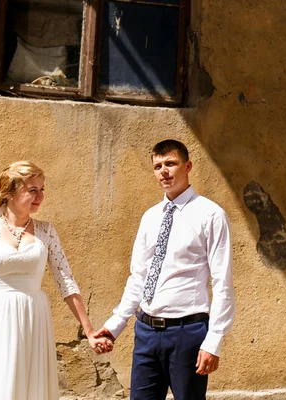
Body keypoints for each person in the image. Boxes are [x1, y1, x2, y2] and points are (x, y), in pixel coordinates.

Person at [0, 161, 112, 400]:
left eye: (42, 189)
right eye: (33, 190)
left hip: (32, 319)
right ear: (10, 193)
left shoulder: (46, 231)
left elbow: (66, 282)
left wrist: (90, 331)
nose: (40, 195)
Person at [93, 140, 235, 400]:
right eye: (158, 166)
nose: (164, 171)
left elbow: (222, 281)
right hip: (146, 332)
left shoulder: (210, 215)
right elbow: (139, 276)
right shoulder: (150, 217)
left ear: (187, 166)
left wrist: (214, 339)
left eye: (171, 163)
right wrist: (115, 324)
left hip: (187, 333)